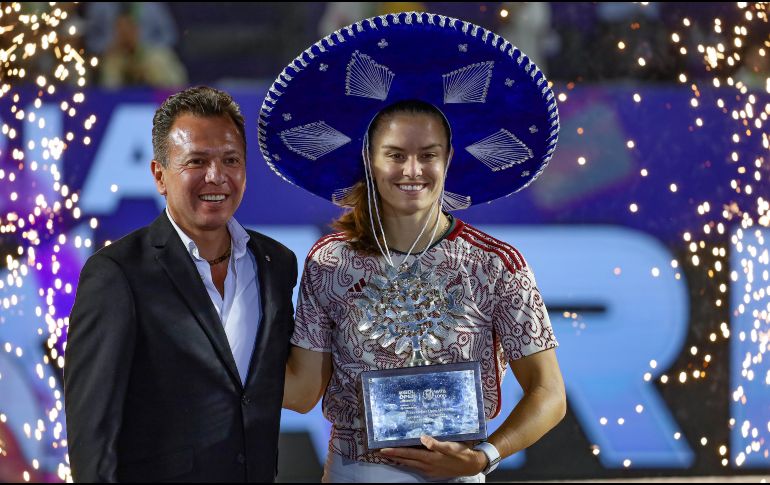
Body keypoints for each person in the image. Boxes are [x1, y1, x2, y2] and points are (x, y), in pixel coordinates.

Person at [260, 11, 566, 483]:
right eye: (396, 155)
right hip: (356, 473)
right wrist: (217, 356)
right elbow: (301, 392)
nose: (412, 170)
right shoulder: (331, 261)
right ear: (369, 159)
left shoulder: (496, 266)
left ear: (449, 161)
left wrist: (485, 454)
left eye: (428, 156)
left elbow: (549, 393)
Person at [64, 86, 297, 482]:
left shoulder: (276, 264)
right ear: (160, 175)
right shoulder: (117, 273)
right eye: (197, 161)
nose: (216, 176)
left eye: (230, 160)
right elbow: (92, 431)